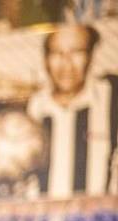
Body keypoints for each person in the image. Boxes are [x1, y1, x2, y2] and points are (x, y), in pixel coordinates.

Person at [27, 22, 118, 198]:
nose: (66, 64)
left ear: (90, 56)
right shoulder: (33, 108)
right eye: (57, 52)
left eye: (77, 51)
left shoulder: (111, 97)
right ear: (46, 59)